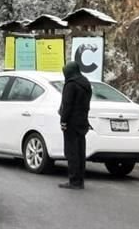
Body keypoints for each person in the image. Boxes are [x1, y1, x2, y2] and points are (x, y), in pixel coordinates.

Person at [58, 60, 92, 190]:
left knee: (71, 152)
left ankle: (74, 181)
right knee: (80, 152)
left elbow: (67, 105)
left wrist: (63, 121)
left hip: (71, 123)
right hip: (82, 121)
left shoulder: (70, 85)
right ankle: (80, 180)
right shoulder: (85, 83)